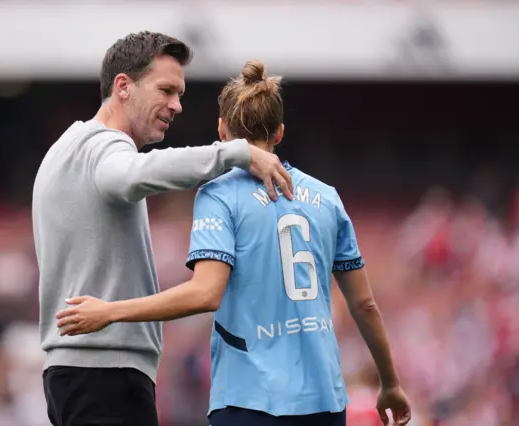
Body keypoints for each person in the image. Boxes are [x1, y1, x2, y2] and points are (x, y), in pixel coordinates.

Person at [55, 60, 412, 426]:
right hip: (323, 399)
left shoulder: (219, 196)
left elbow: (204, 294)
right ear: (279, 132)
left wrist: (110, 312)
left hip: (248, 400)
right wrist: (390, 382)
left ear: (222, 131)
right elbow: (365, 304)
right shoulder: (327, 198)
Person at [33, 32, 294, 426]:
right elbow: (130, 175)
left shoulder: (67, 147)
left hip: (81, 371)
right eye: (166, 90)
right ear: (123, 86)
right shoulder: (103, 147)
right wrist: (237, 152)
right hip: (105, 373)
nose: (176, 105)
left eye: (180, 93)